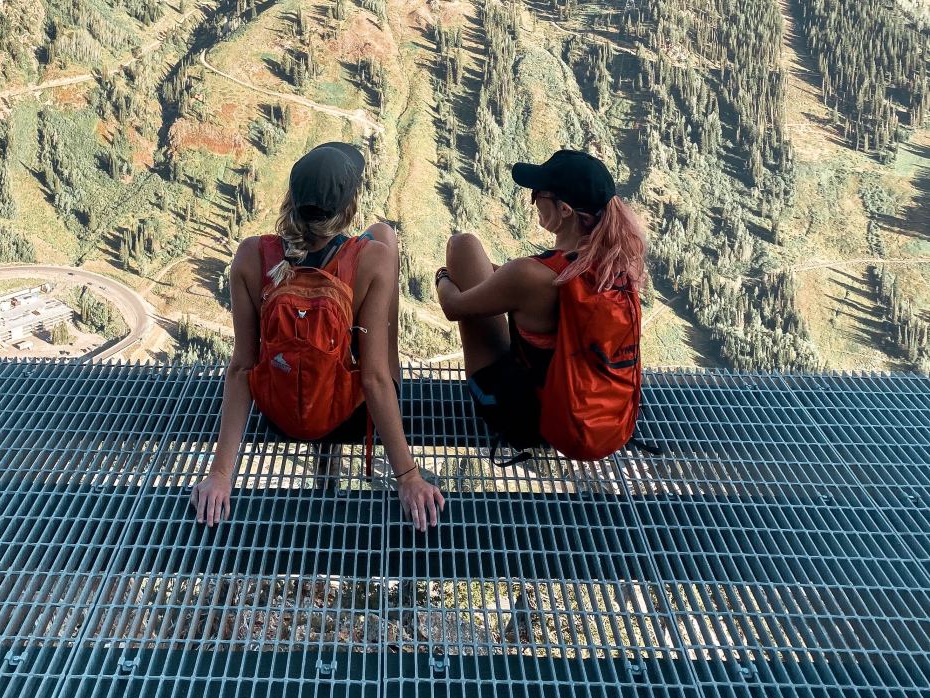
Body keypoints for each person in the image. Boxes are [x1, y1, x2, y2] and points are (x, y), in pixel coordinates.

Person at [190, 140, 445, 531]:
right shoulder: (372, 259)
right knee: (384, 237)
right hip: (350, 417)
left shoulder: (250, 256)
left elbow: (242, 366)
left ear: (290, 201)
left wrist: (221, 475)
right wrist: (408, 477)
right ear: (349, 209)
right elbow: (375, 378)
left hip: (278, 414)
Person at [434, 149, 646, 455]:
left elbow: (453, 307)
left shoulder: (531, 275)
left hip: (527, 421)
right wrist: (503, 276)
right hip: (599, 413)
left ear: (564, 210)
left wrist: (443, 277)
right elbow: (515, 284)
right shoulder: (617, 265)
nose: (533, 199)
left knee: (462, 246)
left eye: (538, 194)